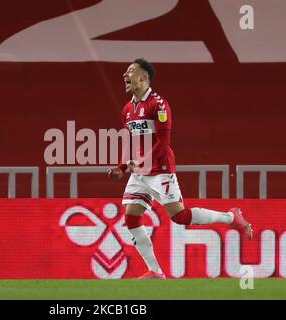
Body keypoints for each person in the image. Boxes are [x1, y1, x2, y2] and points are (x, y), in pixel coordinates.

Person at [108, 59, 253, 279]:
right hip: (140, 172)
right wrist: (121, 167)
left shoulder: (159, 104)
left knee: (180, 216)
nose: (124, 75)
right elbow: (132, 142)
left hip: (161, 169)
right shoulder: (128, 109)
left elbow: (163, 142)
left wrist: (142, 161)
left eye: (130, 71)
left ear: (144, 77)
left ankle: (231, 217)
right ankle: (155, 271)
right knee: (131, 217)